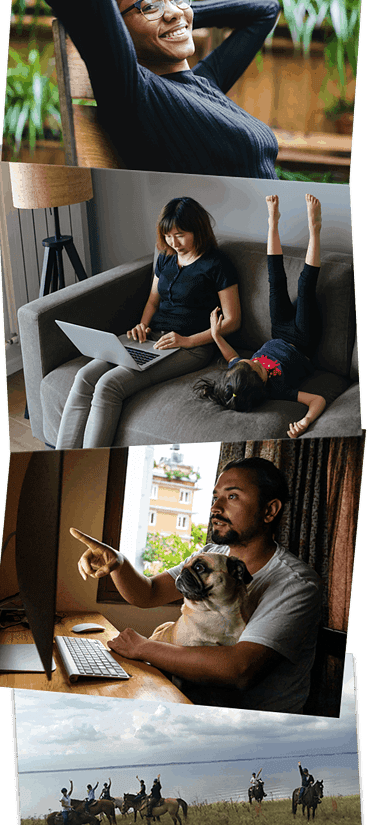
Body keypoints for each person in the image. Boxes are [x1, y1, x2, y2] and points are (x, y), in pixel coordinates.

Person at [70, 455, 322, 714]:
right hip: (191, 702)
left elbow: (239, 669)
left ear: (269, 510)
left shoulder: (295, 583)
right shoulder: (213, 553)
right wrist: (117, 562)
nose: (215, 507)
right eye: (215, 497)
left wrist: (143, 647)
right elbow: (149, 593)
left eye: (232, 496)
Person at [42, 0, 280, 178]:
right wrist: (164, 17)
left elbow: (266, 10)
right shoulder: (135, 93)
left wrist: (184, 14)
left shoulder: (205, 82)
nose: (173, 11)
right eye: (149, 6)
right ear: (117, 28)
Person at [55, 197, 240, 449]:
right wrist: (142, 326)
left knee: (109, 385)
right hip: (151, 337)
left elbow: (232, 321)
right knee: (85, 376)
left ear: (199, 230)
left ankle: (91, 462)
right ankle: (63, 456)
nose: (174, 242)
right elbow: (153, 301)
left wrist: (187, 340)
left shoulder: (218, 264)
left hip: (190, 347)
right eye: (168, 236)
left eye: (180, 235)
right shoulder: (165, 257)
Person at [196, 194, 326, 439]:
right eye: (257, 365)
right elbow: (317, 399)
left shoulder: (239, 371)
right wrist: (305, 421)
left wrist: (215, 334)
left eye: (249, 361)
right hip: (303, 339)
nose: (255, 359)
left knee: (275, 280)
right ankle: (315, 228)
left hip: (279, 330)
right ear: (263, 380)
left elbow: (231, 356)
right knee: (305, 286)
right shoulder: (278, 389)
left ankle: (273, 222)